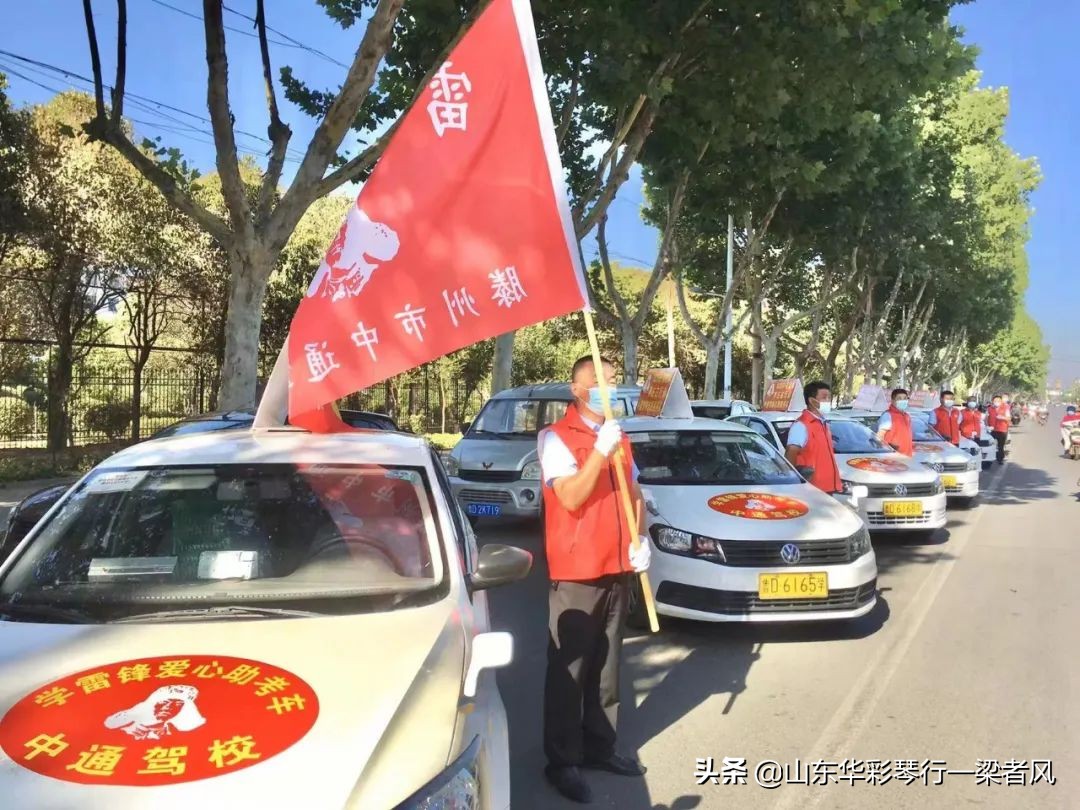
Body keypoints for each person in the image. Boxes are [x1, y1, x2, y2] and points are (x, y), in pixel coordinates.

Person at [537, 355, 650, 803]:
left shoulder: (619, 436)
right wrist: (598, 454)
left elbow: (634, 492)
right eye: (600, 381)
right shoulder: (556, 439)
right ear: (577, 390)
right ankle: (563, 761)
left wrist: (641, 541)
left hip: (617, 566)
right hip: (578, 571)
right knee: (571, 670)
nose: (610, 387)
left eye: (614, 380)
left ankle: (600, 746)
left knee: (606, 667)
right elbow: (570, 496)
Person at [785, 381, 843, 494]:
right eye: (824, 397)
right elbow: (791, 452)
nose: (828, 401)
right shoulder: (801, 425)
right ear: (812, 400)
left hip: (827, 487)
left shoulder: (823, 423)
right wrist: (793, 480)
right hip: (811, 488)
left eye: (829, 397)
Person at [876, 388, 914, 456]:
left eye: (905, 398)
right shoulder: (888, 415)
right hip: (892, 457)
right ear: (893, 400)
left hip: (906, 456)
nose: (903, 400)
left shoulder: (907, 416)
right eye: (899, 398)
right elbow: (880, 436)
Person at [985, 394, 1011, 465]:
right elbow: (986, 418)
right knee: (990, 445)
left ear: (1001, 401)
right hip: (992, 430)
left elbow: (1009, 418)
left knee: (1000, 446)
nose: (997, 402)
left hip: (1002, 430)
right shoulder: (989, 408)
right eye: (995, 401)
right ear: (992, 401)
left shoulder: (1005, 408)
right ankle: (989, 459)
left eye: (998, 401)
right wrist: (987, 426)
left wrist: (1002, 417)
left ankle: (1000, 459)